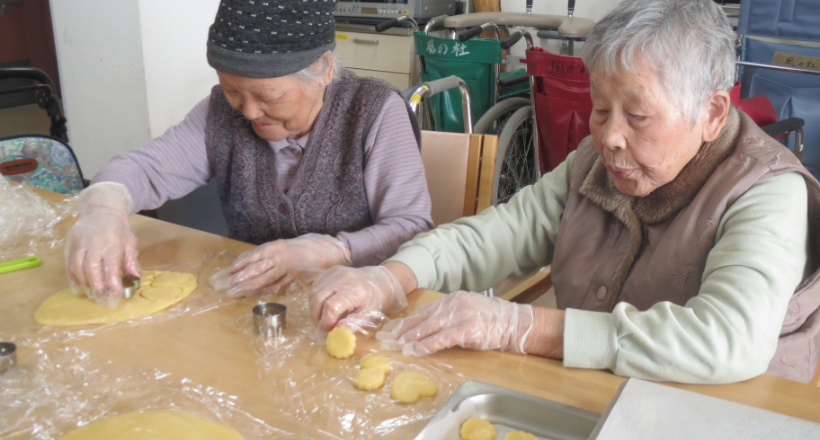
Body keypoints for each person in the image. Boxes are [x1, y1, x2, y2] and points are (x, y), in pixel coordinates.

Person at [309, 0, 820, 385]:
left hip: (721, 408)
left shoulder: (766, 193)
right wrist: (390, 277)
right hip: (600, 390)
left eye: (637, 116)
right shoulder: (596, 163)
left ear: (709, 114)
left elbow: (728, 340)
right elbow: (498, 233)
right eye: (600, 108)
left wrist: (521, 327)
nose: (610, 136)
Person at [65, 0, 432, 304]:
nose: (249, 112)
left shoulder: (374, 110)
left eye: (267, 97)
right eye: (232, 91)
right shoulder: (222, 113)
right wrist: (103, 210)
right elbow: (142, 169)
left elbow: (410, 227)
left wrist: (336, 251)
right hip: (252, 302)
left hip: (355, 304)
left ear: (322, 69)